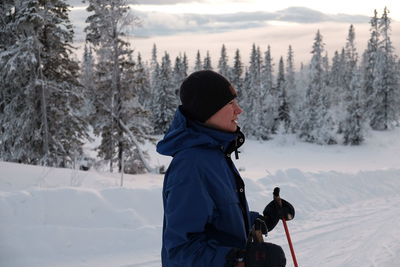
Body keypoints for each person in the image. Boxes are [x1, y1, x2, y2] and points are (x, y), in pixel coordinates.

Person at [157, 70, 294, 267]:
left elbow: (217, 221)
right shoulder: (192, 165)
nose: (239, 110)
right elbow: (181, 251)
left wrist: (261, 220)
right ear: (207, 111)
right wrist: (239, 260)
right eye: (230, 104)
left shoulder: (214, 155)